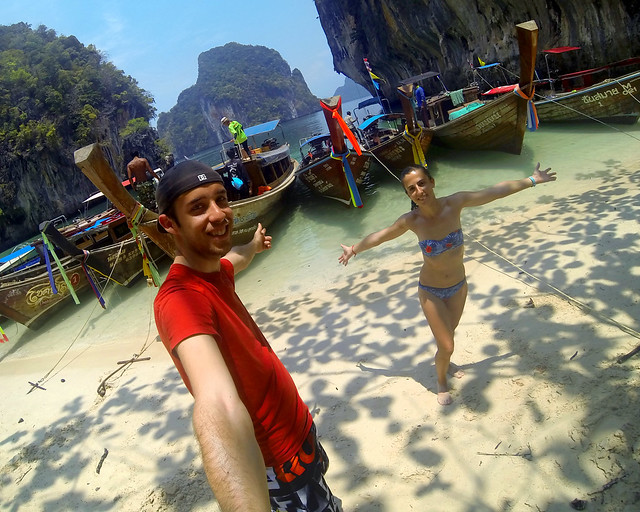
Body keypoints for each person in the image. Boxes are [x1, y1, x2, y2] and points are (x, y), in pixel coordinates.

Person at [154, 160, 342, 512]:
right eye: (198, 207)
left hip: (298, 432)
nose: (218, 214)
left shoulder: (214, 270)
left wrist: (254, 245)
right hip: (279, 460)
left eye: (221, 199)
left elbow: (235, 259)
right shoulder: (180, 300)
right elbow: (217, 403)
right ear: (169, 224)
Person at [339, 163, 557, 406]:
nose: (419, 191)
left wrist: (532, 180)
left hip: (459, 287)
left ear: (432, 182)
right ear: (409, 195)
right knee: (447, 343)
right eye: (411, 189)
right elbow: (380, 236)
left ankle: (446, 361)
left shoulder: (455, 203)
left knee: (447, 340)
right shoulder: (412, 221)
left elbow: (494, 192)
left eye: (422, 183)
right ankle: (441, 380)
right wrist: (354, 249)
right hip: (430, 292)